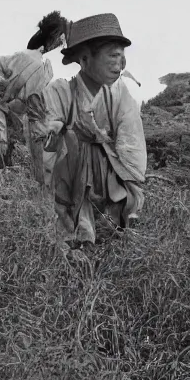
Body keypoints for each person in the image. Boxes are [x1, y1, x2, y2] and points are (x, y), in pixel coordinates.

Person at [36, 13, 146, 255]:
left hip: (110, 169)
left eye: (122, 56)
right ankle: (78, 236)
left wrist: (132, 182)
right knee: (71, 140)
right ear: (85, 59)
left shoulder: (120, 94)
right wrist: (54, 128)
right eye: (113, 55)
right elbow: (49, 125)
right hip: (73, 170)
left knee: (119, 214)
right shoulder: (61, 90)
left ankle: (114, 226)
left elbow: (130, 141)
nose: (120, 64)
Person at [0, 11, 67, 191]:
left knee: (15, 143)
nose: (60, 43)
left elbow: (37, 97)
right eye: (58, 38)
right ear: (51, 37)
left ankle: (11, 186)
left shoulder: (46, 66)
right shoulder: (26, 56)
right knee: (0, 141)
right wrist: (1, 83)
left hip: (19, 110)